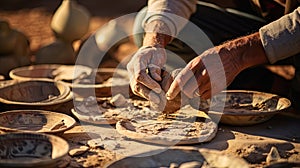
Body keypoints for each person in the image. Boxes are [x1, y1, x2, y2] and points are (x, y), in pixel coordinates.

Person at [126, 0, 300, 109]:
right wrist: (153, 43)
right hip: (263, 22)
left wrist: (236, 55)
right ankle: (274, 86)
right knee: (147, 24)